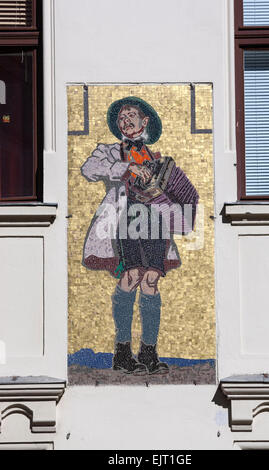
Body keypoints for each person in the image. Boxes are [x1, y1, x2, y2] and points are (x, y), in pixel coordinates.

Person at [81, 97, 188, 375]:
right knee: (131, 276)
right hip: (125, 217)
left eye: (131, 116)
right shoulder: (110, 151)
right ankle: (122, 352)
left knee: (151, 279)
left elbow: (172, 193)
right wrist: (126, 168)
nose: (126, 121)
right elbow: (89, 169)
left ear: (145, 122)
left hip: (155, 221)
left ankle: (149, 352)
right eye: (121, 118)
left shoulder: (155, 158)